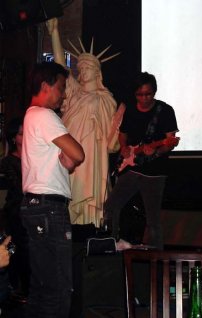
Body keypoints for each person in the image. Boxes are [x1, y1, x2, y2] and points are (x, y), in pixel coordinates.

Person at [20, 61, 85, 318]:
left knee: (42, 287)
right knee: (58, 288)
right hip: (49, 209)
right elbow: (78, 153)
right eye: (60, 87)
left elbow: (66, 160)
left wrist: (69, 161)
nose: (64, 94)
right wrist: (73, 157)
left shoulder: (30, 116)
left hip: (36, 207)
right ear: (46, 86)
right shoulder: (45, 116)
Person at [47, 17, 122, 226]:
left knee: (90, 192)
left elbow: (111, 135)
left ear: (97, 72)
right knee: (71, 189)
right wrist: (54, 33)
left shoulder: (106, 99)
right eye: (80, 67)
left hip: (92, 155)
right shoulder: (74, 94)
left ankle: (91, 228)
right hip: (71, 151)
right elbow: (61, 68)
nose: (83, 70)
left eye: (88, 67)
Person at [104, 72, 179, 250]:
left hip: (154, 172)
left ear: (154, 92)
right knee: (111, 206)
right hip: (131, 169)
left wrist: (156, 150)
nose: (145, 98)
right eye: (140, 94)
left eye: (148, 94)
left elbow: (170, 142)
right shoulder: (130, 110)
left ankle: (156, 259)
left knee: (152, 218)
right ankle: (111, 245)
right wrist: (123, 147)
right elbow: (123, 134)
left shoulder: (165, 110)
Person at [0, 117, 30, 299]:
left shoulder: (34, 157)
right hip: (16, 212)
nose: (25, 136)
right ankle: (19, 289)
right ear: (13, 138)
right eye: (21, 133)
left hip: (32, 211)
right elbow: (19, 186)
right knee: (18, 250)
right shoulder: (8, 162)